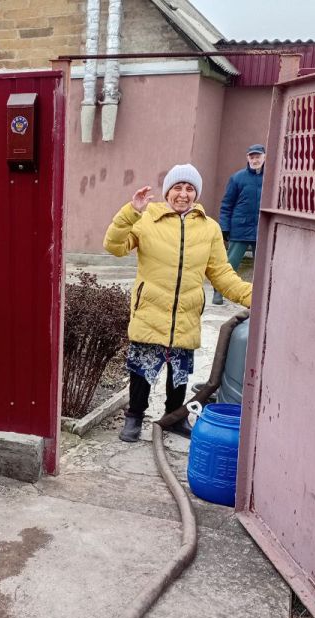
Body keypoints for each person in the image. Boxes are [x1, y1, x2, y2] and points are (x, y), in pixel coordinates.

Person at [104, 164, 252, 442]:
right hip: (150, 308)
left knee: (180, 373)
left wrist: (255, 296)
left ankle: (174, 417)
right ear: (167, 192)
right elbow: (114, 246)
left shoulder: (210, 229)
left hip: (185, 311)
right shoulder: (146, 219)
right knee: (141, 369)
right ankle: (135, 417)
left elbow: (222, 275)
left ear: (196, 193)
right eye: (177, 188)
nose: (183, 194)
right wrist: (131, 212)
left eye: (189, 188)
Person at [212, 144, 265, 305]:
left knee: (261, 266)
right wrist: (225, 227)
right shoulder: (237, 178)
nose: (255, 160)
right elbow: (227, 204)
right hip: (239, 228)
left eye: (258, 157)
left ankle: (259, 297)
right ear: (247, 158)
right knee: (229, 264)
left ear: (265, 157)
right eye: (252, 157)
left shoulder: (271, 177)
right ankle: (218, 292)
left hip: (261, 229)